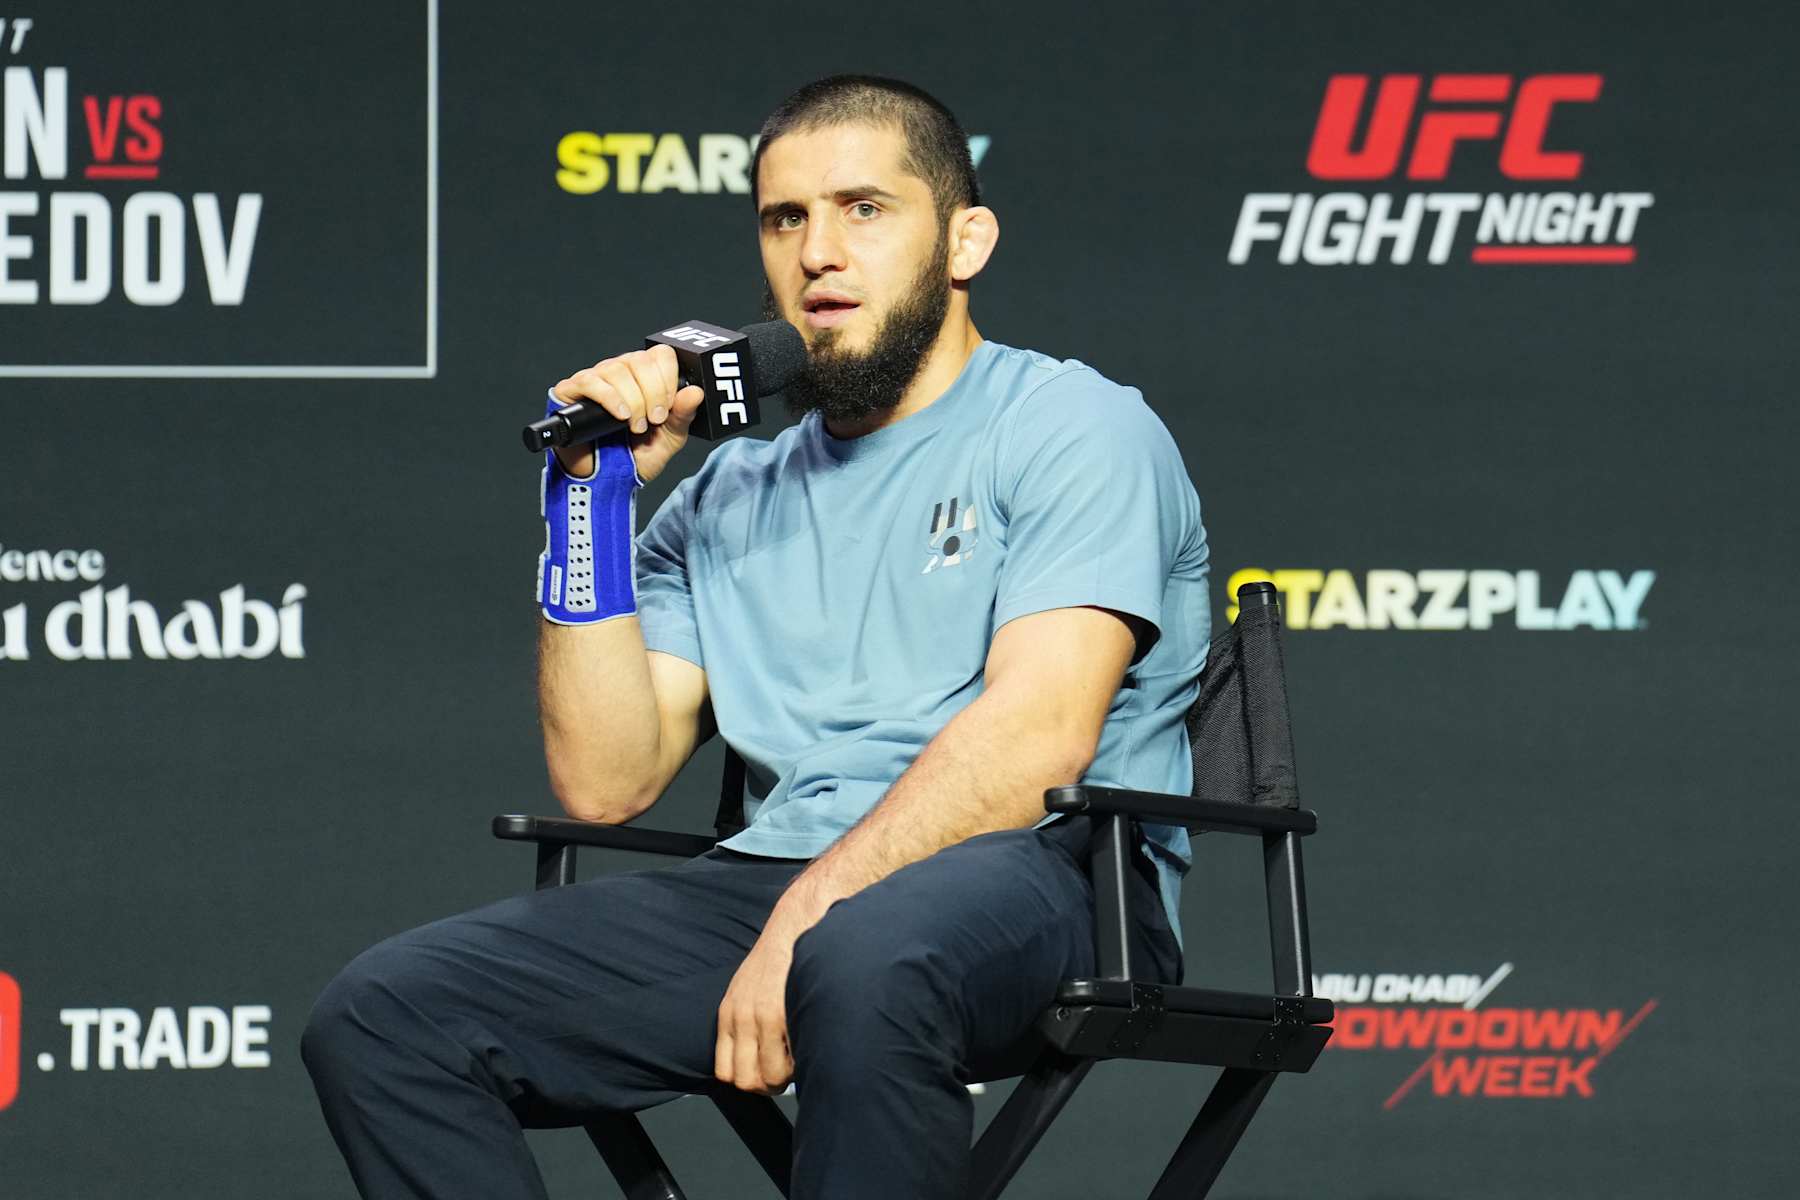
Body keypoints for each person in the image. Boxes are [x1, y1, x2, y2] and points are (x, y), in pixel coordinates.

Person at [302, 74, 1210, 1199]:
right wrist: (591, 501)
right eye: (787, 218)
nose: (819, 251)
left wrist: (811, 919)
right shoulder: (731, 491)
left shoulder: (1074, 425)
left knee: (863, 961)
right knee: (388, 1014)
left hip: (1052, 878)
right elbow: (605, 779)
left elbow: (1035, 744)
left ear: (964, 241)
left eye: (864, 210)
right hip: (781, 883)